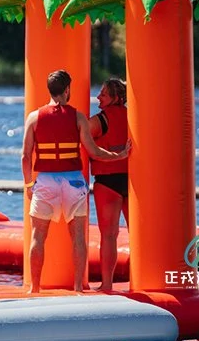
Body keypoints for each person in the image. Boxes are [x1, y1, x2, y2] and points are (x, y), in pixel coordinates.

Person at [21, 69, 130, 293]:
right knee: (78, 237)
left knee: (38, 236)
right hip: (74, 180)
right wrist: (118, 155)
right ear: (67, 90)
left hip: (46, 180)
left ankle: (34, 287)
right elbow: (94, 150)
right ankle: (79, 286)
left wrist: (28, 184)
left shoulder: (34, 117)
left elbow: (25, 155)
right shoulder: (78, 117)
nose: (98, 97)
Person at [88, 78, 129, 291]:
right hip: (131, 181)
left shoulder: (98, 120)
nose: (97, 97)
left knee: (109, 235)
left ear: (115, 98)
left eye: (103, 94)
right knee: (137, 234)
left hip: (108, 181)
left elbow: (80, 137)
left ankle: (107, 285)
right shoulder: (134, 117)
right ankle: (143, 279)